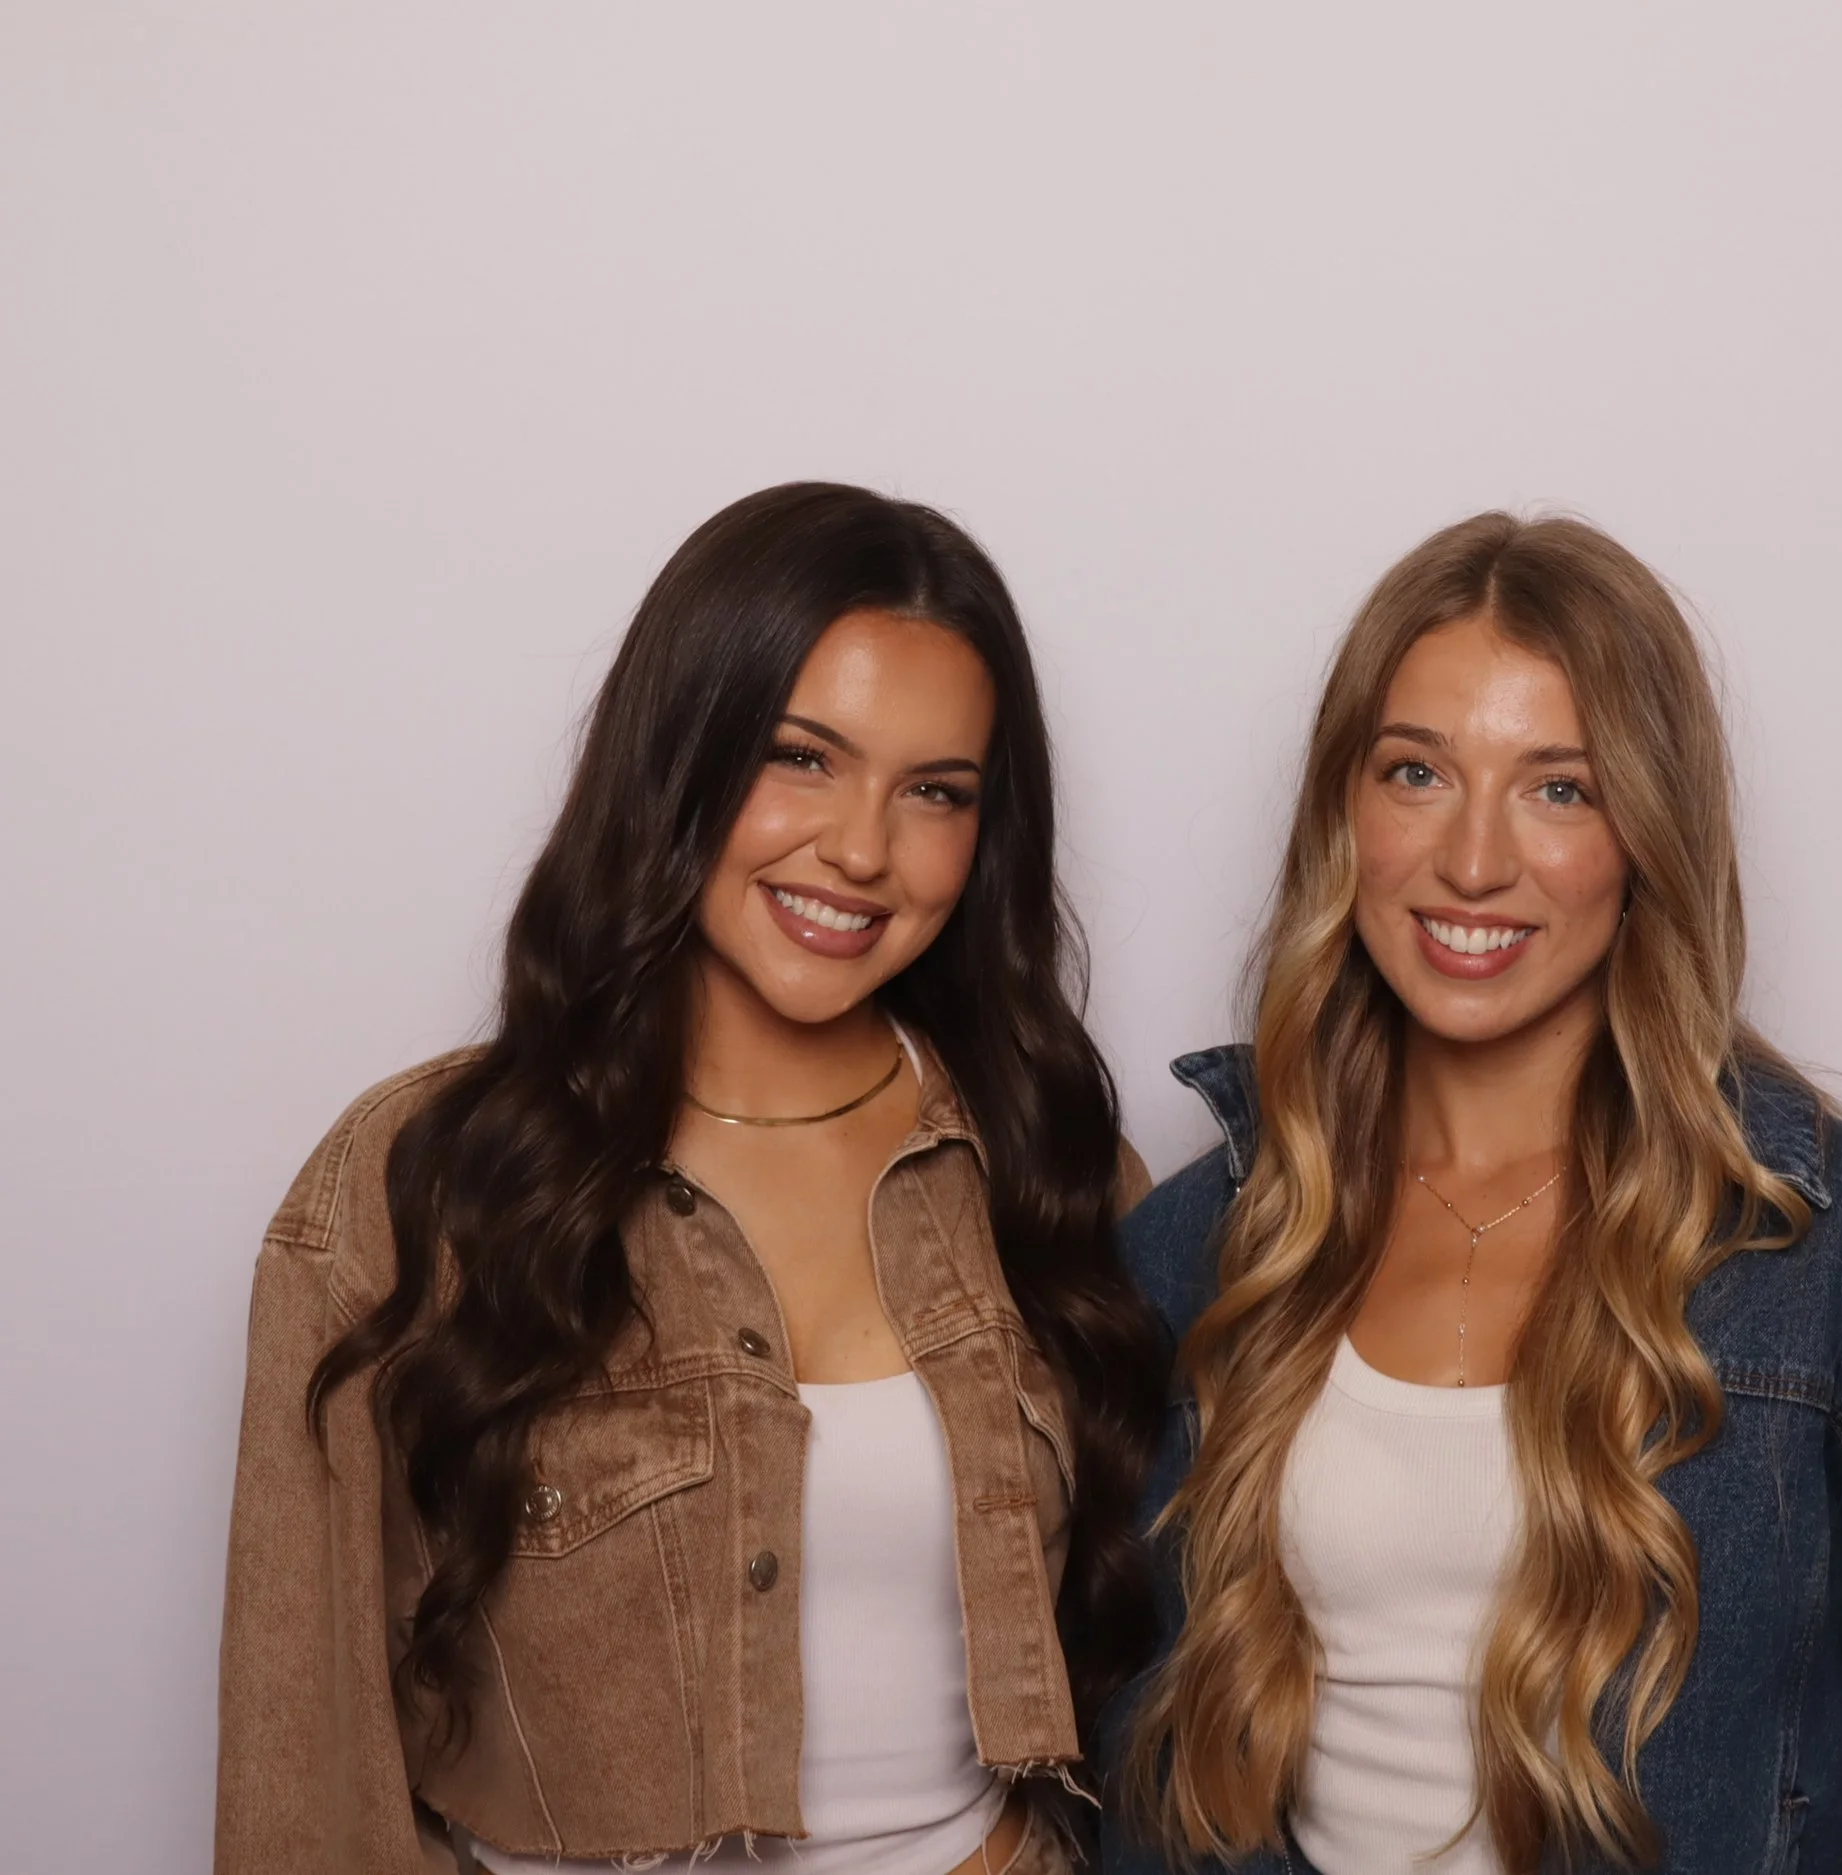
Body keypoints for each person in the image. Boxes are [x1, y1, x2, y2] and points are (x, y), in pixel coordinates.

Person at [1109, 514, 1842, 1874]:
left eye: (1557, 788)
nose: (1472, 861)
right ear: (1346, 810)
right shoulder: (1202, 1248)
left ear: (1647, 833)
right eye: (1416, 773)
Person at [217, 484, 1168, 1875]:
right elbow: (305, 1774)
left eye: (936, 793)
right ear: (680, 755)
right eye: (802, 757)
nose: (860, 847)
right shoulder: (419, 1184)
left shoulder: (1053, 1170)